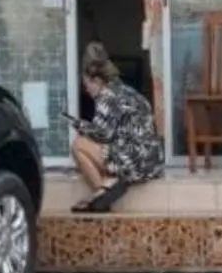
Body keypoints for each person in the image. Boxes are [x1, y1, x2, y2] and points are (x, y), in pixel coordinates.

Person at [69, 42, 163, 213]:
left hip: (133, 163)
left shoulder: (106, 97)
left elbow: (102, 134)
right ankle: (108, 181)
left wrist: (80, 125)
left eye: (87, 85)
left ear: (97, 80)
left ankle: (102, 190)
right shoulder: (128, 91)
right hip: (151, 162)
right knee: (105, 149)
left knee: (78, 145)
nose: (86, 90)